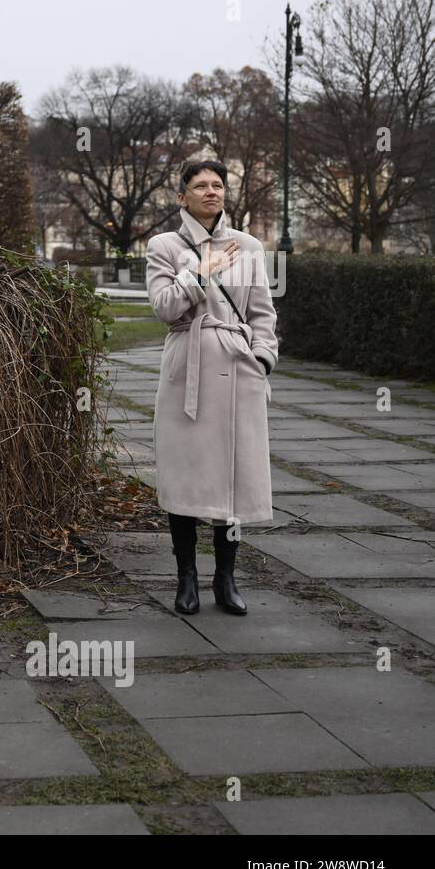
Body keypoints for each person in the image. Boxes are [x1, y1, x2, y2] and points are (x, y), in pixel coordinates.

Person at [146, 160, 278, 617]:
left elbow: (261, 313)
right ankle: (187, 579)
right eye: (200, 185)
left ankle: (226, 577)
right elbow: (164, 308)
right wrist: (200, 271)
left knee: (232, 480)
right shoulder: (163, 245)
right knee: (185, 474)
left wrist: (263, 357)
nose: (211, 192)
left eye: (218, 185)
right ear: (182, 197)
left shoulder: (248, 245)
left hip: (239, 372)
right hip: (189, 369)